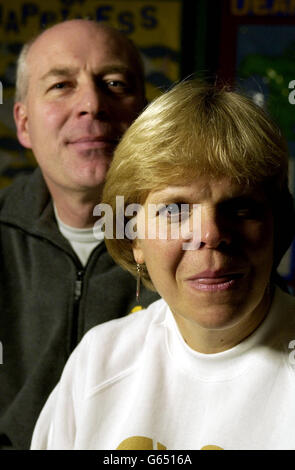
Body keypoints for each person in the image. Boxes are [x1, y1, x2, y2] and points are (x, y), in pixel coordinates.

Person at [30, 79, 295, 450]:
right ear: (134, 236)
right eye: (174, 209)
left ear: (278, 224)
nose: (211, 234)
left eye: (240, 206)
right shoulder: (99, 361)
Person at [0, 19, 158, 450]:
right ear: (24, 123)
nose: (92, 104)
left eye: (114, 83)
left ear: (143, 116)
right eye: (61, 86)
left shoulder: (197, 241)